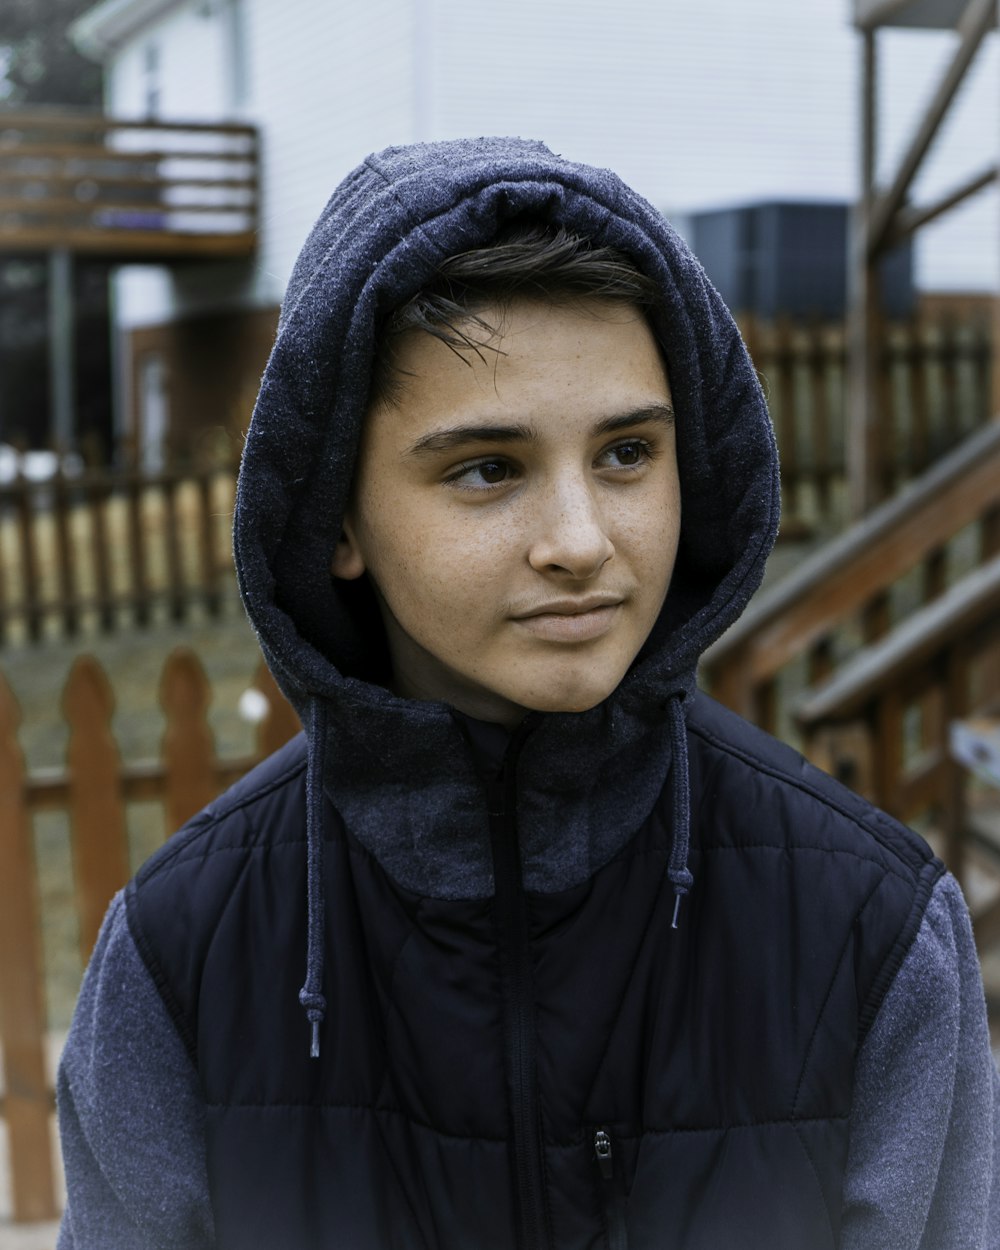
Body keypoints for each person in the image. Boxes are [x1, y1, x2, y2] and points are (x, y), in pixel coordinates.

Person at [56, 137, 999, 1250]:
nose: (579, 540)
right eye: (487, 469)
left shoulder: (875, 927)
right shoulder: (182, 952)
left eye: (627, 454)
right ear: (338, 518)